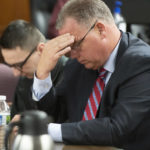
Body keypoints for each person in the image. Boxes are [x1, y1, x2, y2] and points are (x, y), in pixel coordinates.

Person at [16, 0, 150, 149]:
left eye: (76, 45)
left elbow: (117, 129)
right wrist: (42, 74)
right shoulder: (78, 64)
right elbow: (56, 114)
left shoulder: (142, 63)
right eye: (68, 48)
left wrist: (44, 129)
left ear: (100, 29)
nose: (72, 55)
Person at [0, 19, 68, 118]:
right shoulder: (25, 76)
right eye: (10, 65)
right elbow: (17, 116)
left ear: (40, 50)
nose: (15, 73)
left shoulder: (70, 70)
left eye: (19, 64)